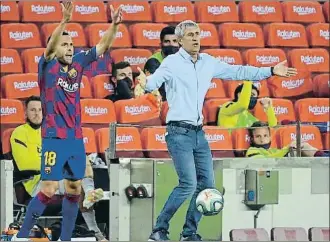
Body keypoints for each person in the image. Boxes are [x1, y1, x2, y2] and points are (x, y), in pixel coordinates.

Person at [135, 20, 297, 241]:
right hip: (178, 132)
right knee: (188, 184)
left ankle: (189, 233)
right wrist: (145, 82)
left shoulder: (207, 62)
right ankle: (159, 230)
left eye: (197, 34)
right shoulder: (171, 63)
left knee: (207, 186)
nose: (195, 38)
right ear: (180, 40)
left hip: (199, 133)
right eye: (190, 35)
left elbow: (238, 70)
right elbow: (153, 83)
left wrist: (270, 70)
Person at [11, 2, 123, 241]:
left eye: (71, 44)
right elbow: (49, 49)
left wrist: (113, 26)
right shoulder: (47, 66)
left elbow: (102, 46)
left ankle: (66, 238)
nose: (70, 48)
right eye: (65, 44)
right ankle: (20, 236)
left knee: (74, 189)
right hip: (53, 138)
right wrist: (64, 21)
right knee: (49, 189)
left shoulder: (78, 64)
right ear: (55, 47)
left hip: (74, 140)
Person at [10, 96, 106, 241]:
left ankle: (90, 192)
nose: (37, 113)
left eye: (40, 110)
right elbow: (28, 164)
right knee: (74, 180)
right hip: (37, 182)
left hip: (57, 176)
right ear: (26, 113)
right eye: (33, 110)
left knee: (81, 161)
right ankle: (97, 232)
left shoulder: (53, 132)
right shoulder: (19, 133)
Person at [246, 121, 329, 158]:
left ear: (270, 137)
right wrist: (286, 148)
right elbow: (267, 162)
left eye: (265, 135)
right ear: (252, 139)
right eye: (258, 136)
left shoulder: (273, 151)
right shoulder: (251, 151)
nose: (262, 139)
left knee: (304, 147)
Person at [144, 26, 179, 101]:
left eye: (175, 41)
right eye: (167, 41)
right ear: (160, 45)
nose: (171, 44)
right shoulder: (153, 62)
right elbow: (160, 91)